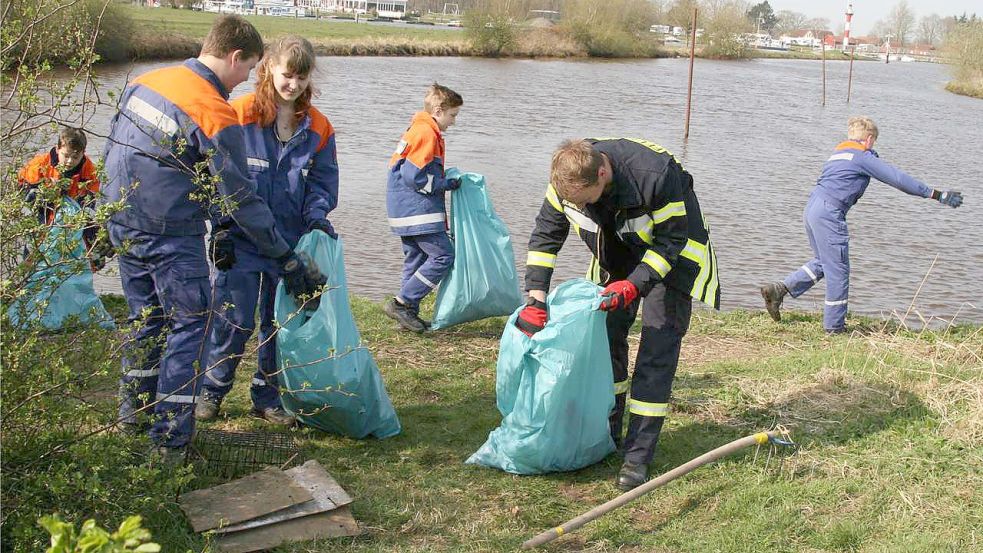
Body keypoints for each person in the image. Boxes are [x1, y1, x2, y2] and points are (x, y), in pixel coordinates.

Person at [101, 15, 324, 461]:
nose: (244, 80)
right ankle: (170, 443)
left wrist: (102, 214)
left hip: (123, 221)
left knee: (146, 320)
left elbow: (111, 147)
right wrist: (287, 258)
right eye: (248, 68)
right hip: (170, 234)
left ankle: (133, 416)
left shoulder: (149, 80)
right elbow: (239, 196)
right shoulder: (213, 109)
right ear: (235, 56)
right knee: (190, 325)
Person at [518, 138, 720, 491]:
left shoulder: (655, 176)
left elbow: (671, 243)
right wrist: (536, 298)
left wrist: (634, 285)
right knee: (606, 342)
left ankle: (637, 456)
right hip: (617, 256)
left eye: (585, 200)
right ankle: (606, 433)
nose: (579, 206)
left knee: (656, 352)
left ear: (602, 173)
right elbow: (545, 238)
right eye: (574, 203)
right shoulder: (566, 183)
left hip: (671, 260)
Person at [196, 36, 339, 427]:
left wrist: (317, 219)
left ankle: (267, 396)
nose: (292, 84)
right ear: (268, 69)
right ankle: (211, 391)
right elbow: (213, 176)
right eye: (286, 75)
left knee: (277, 325)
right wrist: (220, 225)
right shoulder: (238, 114)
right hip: (241, 241)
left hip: (289, 247)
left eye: (300, 77)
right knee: (233, 320)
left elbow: (323, 185)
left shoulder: (320, 128)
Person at [760, 116, 963, 333]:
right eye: (873, 142)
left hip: (812, 208)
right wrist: (936, 194)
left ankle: (779, 289)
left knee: (824, 261)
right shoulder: (861, 157)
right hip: (829, 212)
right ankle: (834, 329)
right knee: (838, 269)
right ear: (868, 139)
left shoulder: (838, 154)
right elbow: (897, 178)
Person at [383, 83, 463, 333]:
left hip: (402, 211)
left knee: (416, 259)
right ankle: (403, 303)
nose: (453, 122)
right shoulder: (426, 133)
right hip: (417, 212)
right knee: (443, 256)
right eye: (453, 115)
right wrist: (444, 184)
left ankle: (408, 316)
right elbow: (413, 175)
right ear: (438, 110)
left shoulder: (416, 130)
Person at [18, 126, 110, 268]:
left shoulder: (90, 171)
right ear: (57, 149)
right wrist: (49, 191)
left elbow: (93, 205)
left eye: (75, 157)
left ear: (83, 153)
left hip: (73, 222)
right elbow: (24, 196)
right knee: (32, 261)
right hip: (41, 218)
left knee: (94, 255)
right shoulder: (39, 165)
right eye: (66, 155)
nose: (69, 161)